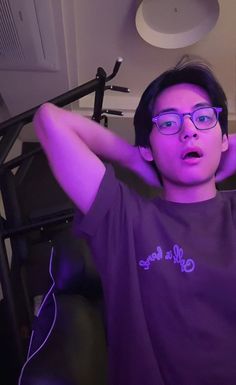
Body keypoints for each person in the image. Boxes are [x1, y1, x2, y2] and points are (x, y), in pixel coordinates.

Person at [33, 60, 236, 385]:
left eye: (203, 117)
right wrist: (132, 157)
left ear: (224, 139)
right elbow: (49, 120)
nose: (188, 130)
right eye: (168, 122)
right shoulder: (126, 218)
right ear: (149, 147)